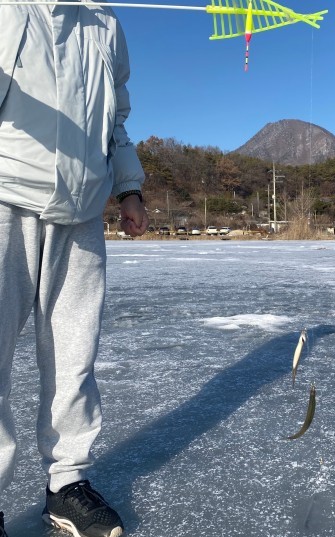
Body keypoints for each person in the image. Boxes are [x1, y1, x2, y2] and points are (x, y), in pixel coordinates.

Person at [0, 1, 149, 536]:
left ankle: (67, 485)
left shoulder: (108, 23)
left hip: (83, 209)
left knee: (73, 355)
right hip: (5, 196)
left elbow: (116, 118)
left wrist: (128, 186)